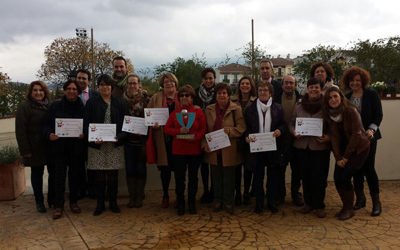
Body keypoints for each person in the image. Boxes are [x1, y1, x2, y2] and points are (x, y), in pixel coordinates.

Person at [323, 87, 370, 220]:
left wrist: (345, 158)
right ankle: (346, 206)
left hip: (359, 149)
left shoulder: (351, 111)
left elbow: (356, 135)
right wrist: (338, 158)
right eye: (329, 98)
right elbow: (334, 138)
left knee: (344, 177)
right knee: (337, 177)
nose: (333, 100)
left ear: (341, 97)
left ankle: (349, 209)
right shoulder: (330, 115)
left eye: (335, 96)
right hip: (344, 151)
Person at [84, 74, 127, 216]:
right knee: (99, 175)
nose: (105, 87)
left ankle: (113, 202)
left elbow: (126, 124)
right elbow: (86, 124)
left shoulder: (120, 102)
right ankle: (100, 203)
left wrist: (119, 137)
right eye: (101, 84)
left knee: (113, 174)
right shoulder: (91, 102)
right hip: (98, 145)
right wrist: (92, 138)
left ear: (112, 87)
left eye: (107, 84)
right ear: (98, 87)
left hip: (114, 144)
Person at [343, 66, 383, 216]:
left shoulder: (371, 94)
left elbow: (378, 115)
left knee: (369, 169)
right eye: (352, 81)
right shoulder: (346, 97)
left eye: (358, 80)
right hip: (354, 140)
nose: (355, 83)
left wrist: (371, 130)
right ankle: (360, 199)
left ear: (363, 81)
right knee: (356, 169)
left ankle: (376, 203)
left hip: (370, 138)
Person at [202, 82, 246, 215]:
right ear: (216, 95)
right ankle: (217, 200)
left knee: (229, 178)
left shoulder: (236, 109)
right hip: (214, 149)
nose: (222, 95)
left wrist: (230, 131)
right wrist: (204, 145)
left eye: (224, 93)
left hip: (229, 149)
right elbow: (204, 129)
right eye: (219, 93)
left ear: (228, 95)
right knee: (215, 177)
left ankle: (228, 202)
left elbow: (241, 128)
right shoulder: (209, 109)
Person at [290, 77, 331, 218]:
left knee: (319, 178)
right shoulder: (299, 105)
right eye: (311, 87)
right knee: (305, 176)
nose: (314, 89)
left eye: (317, 87)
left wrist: (329, 137)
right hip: (301, 147)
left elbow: (334, 125)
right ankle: (308, 204)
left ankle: (319, 206)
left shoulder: (327, 105)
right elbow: (291, 123)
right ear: (307, 89)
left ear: (321, 89)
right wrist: (293, 132)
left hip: (320, 147)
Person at [164, 85, 207, 215]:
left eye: (187, 95)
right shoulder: (175, 113)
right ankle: (181, 203)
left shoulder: (198, 112)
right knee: (179, 179)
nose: (184, 98)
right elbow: (167, 129)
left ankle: (192, 203)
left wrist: (194, 138)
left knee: (193, 178)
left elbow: (203, 129)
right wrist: (178, 131)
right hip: (178, 151)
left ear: (192, 98)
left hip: (194, 150)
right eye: (181, 96)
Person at [46, 80, 85, 219]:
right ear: (64, 90)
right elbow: (47, 125)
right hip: (59, 148)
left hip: (76, 148)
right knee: (59, 178)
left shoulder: (83, 108)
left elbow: (87, 126)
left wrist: (84, 134)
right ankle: (58, 206)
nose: (71, 91)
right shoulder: (55, 106)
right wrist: (49, 134)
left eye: (74, 89)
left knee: (75, 177)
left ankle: (74, 202)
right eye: (68, 88)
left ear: (78, 92)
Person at [244, 81, 285, 213]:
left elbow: (283, 124)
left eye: (265, 90)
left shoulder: (278, 108)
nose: (262, 92)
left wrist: (280, 130)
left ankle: (272, 202)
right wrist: (247, 136)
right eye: (260, 90)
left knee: (273, 177)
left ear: (270, 92)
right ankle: (259, 203)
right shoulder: (250, 109)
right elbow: (247, 128)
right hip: (257, 148)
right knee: (258, 177)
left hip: (272, 148)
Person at [15, 81, 54, 213]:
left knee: (53, 174)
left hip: (50, 146)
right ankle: (39, 202)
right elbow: (20, 130)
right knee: (37, 175)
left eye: (40, 90)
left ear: (45, 91)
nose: (38, 93)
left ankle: (51, 199)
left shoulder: (50, 105)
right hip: (34, 148)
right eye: (35, 90)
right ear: (30, 93)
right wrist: (25, 151)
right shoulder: (24, 107)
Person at [147, 72, 180, 208]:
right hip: (162, 139)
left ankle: (179, 195)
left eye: (171, 81)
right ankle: (165, 195)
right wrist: (151, 123)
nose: (168, 83)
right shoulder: (156, 97)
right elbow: (148, 114)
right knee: (165, 170)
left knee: (179, 169)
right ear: (162, 84)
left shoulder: (181, 96)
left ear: (175, 83)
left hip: (179, 139)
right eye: (166, 81)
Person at [274, 75, 303, 206]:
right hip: (281, 139)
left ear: (295, 85)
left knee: (297, 169)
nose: (288, 85)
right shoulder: (275, 99)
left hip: (297, 139)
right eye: (286, 83)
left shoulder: (302, 100)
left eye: (291, 83)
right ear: (282, 85)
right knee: (280, 168)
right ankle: (280, 195)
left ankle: (295, 194)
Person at [123, 73, 150, 208]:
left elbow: (151, 116)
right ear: (127, 85)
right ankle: (131, 197)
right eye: (130, 83)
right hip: (127, 141)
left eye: (135, 83)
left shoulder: (146, 99)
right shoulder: (121, 100)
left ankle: (139, 197)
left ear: (139, 84)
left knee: (140, 169)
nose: (132, 85)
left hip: (142, 141)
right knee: (130, 170)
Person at [230, 76, 257, 205]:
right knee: (236, 168)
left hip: (251, 139)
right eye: (242, 83)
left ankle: (246, 192)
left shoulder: (256, 101)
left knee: (248, 168)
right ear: (239, 86)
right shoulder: (232, 100)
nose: (245, 86)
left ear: (251, 86)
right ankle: (237, 193)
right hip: (236, 138)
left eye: (247, 83)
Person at [194, 67, 217, 204]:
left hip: (214, 131)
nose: (208, 81)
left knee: (213, 162)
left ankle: (214, 190)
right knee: (203, 164)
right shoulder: (196, 92)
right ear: (202, 79)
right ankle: (206, 191)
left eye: (211, 78)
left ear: (214, 79)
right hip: (200, 130)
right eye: (206, 78)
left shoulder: (218, 92)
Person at [76, 69, 99, 199]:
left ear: (89, 81)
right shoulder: (70, 93)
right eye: (79, 78)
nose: (81, 80)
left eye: (84, 78)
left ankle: (92, 190)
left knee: (92, 164)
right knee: (78, 165)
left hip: (92, 135)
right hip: (76, 136)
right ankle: (80, 190)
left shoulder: (96, 95)